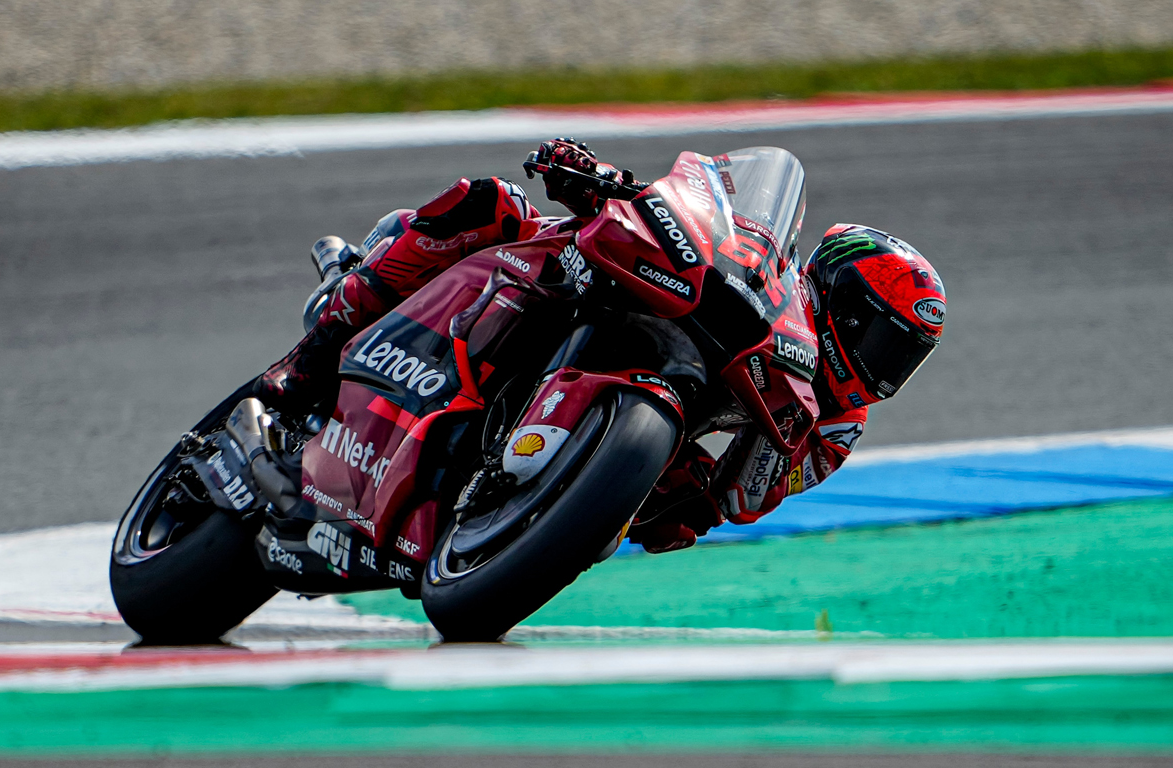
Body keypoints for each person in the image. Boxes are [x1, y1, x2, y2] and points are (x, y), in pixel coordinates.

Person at [254, 139, 947, 554]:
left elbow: (735, 499)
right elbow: (686, 213)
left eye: (903, 356)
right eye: (883, 338)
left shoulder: (831, 427)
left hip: (647, 424)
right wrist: (596, 179)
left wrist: (669, 504)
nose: (886, 366)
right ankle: (310, 358)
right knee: (490, 205)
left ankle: (503, 504)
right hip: (587, 287)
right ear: (839, 302)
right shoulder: (764, 278)